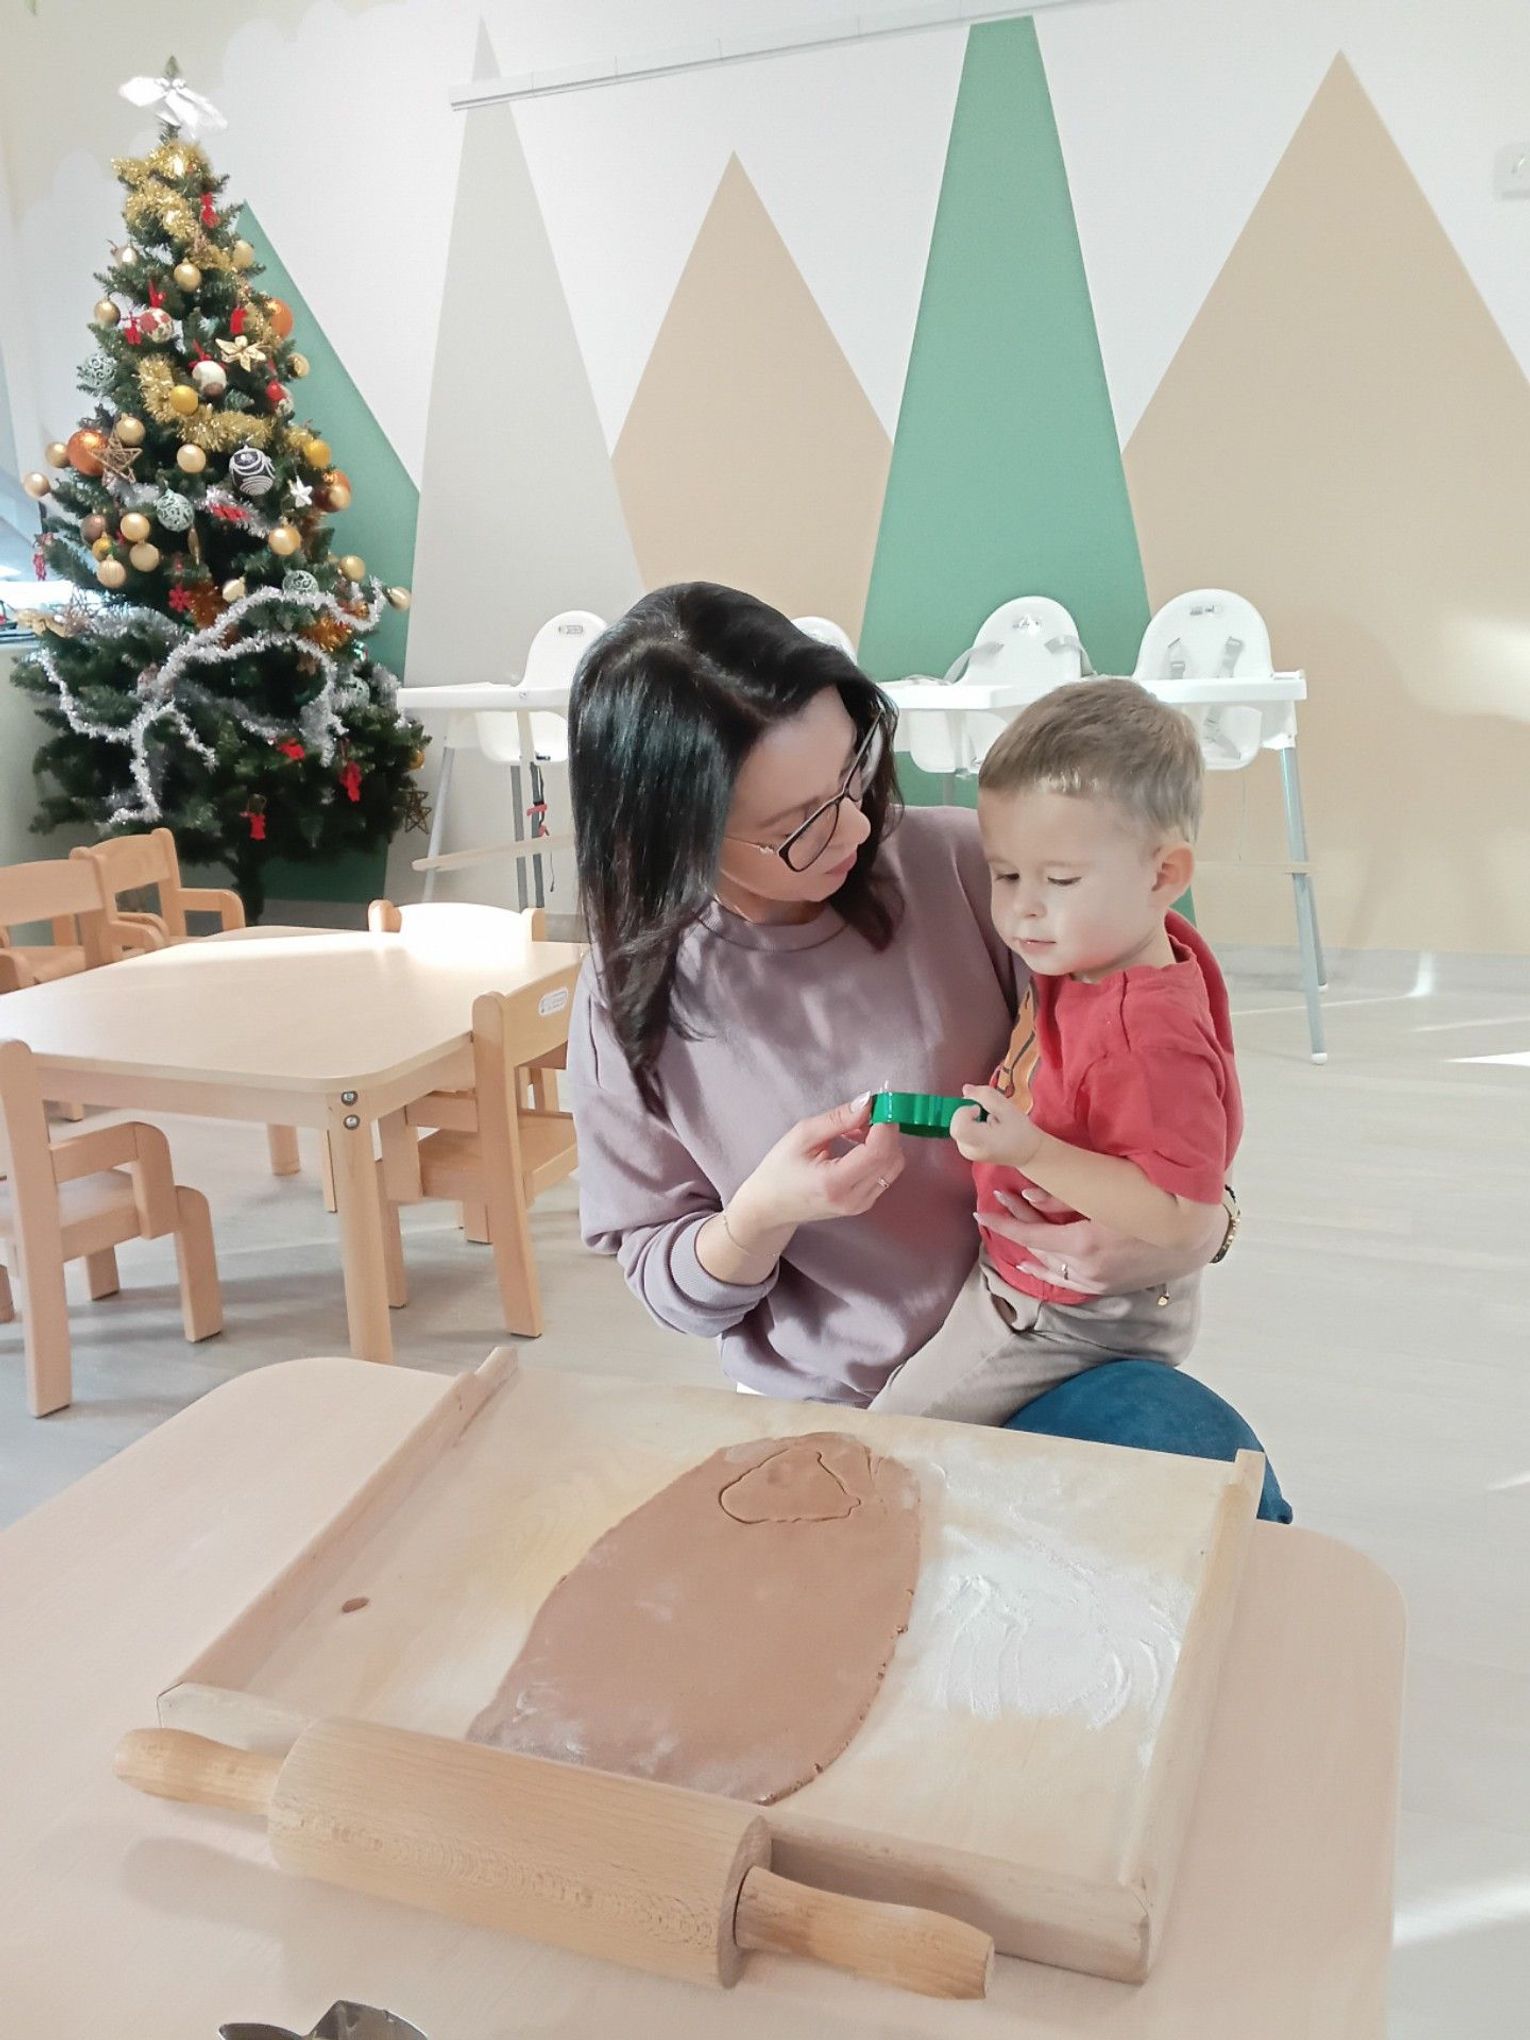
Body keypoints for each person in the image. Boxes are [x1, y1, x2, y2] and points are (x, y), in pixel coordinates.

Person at [565, 584, 1290, 1521]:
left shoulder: (980, 873)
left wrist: (1201, 1226)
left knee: (1227, 1505)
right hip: (832, 1405)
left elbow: (1160, 1076)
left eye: (854, 773)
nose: (860, 828)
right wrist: (760, 1218)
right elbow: (671, 1287)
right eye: (797, 826)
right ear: (676, 837)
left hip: (1054, 1352)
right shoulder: (630, 997)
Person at [872, 678, 1241, 1425]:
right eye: (1005, 874)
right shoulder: (1097, 952)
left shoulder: (1145, 1031)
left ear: (1163, 875)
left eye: (1060, 880)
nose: (1022, 909)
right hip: (1039, 1279)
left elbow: (1180, 1217)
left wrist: (1031, 1151)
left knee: (894, 1433)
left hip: (1063, 1309)